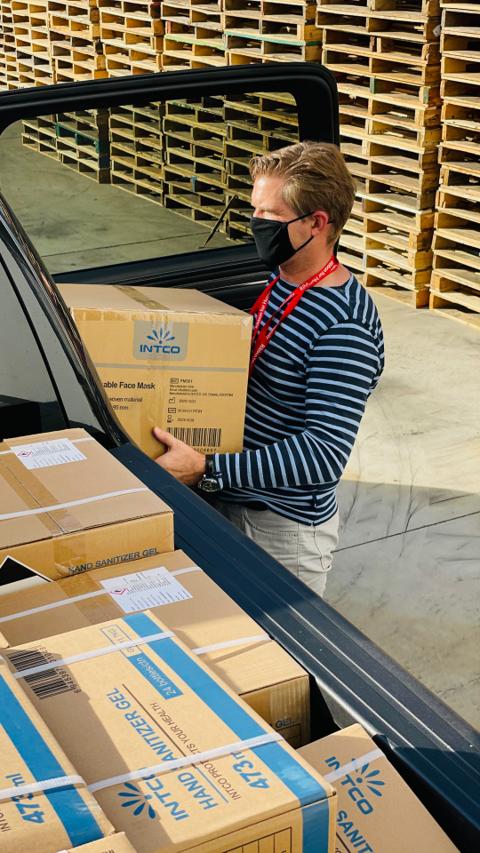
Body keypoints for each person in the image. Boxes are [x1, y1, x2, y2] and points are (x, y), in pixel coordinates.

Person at [153, 141, 384, 597]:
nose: (256, 223)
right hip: (231, 500)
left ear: (316, 223)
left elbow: (324, 453)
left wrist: (207, 468)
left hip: (278, 530)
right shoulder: (284, 279)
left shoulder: (344, 326)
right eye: (254, 209)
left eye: (270, 215)